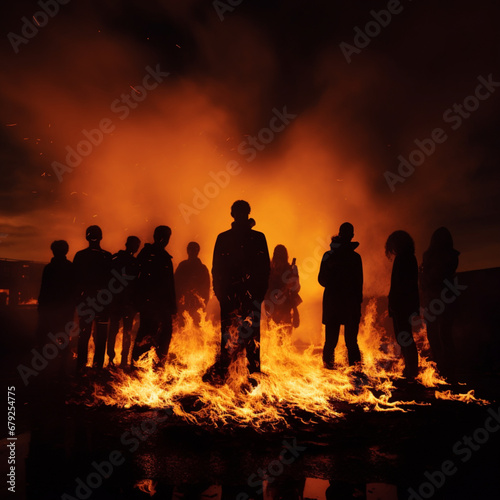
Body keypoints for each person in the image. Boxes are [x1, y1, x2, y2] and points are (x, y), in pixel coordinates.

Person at [210, 200, 270, 380]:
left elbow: (265, 268)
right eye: (239, 212)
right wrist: (220, 293)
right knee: (229, 335)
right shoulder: (225, 238)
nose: (241, 215)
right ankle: (226, 372)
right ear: (233, 214)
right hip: (230, 295)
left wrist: (259, 293)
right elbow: (217, 268)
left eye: (244, 212)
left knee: (252, 337)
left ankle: (253, 373)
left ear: (247, 214)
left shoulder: (257, 237)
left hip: (250, 295)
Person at [318, 223, 363, 369]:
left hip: (336, 304)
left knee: (335, 341)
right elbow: (358, 284)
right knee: (346, 342)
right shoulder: (353, 258)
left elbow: (322, 280)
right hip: (345, 304)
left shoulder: (330, 256)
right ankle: (355, 371)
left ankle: (332, 369)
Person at [132, 226, 176, 367]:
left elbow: (169, 284)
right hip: (153, 303)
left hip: (156, 304)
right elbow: (138, 279)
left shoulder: (152, 254)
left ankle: (151, 364)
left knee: (155, 332)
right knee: (151, 332)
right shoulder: (153, 255)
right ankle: (141, 363)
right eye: (167, 236)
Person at [420, 227, 460, 380]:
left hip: (438, 300)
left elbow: (432, 279)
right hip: (442, 300)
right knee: (442, 335)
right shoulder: (451, 256)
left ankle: (443, 368)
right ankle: (445, 368)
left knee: (439, 335)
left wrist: (423, 276)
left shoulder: (439, 257)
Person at [73, 226, 112, 372]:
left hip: (86, 302)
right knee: (100, 336)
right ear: (101, 237)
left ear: (87, 237)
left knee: (84, 334)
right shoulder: (107, 256)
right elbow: (111, 280)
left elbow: (75, 280)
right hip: (102, 302)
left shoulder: (80, 256)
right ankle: (97, 366)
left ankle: (81, 366)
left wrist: (77, 300)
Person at [37, 241, 77, 372]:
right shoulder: (71, 268)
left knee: (44, 335)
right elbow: (74, 290)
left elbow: (44, 289)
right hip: (65, 308)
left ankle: (41, 364)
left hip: (49, 308)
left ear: (53, 251)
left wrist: (41, 307)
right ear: (66, 251)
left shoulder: (49, 268)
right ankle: (62, 365)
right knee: (63, 336)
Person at [385, 230, 420, 380]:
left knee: (404, 337)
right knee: (404, 336)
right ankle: (410, 368)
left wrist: (393, 303)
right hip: (407, 304)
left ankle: (411, 370)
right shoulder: (410, 258)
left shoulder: (402, 259)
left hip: (401, 304)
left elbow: (398, 285)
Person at [107, 236, 141, 368]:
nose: (136, 248)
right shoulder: (134, 263)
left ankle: (113, 359)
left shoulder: (116, 259)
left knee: (115, 331)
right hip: (125, 304)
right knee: (125, 331)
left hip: (118, 302)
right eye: (136, 245)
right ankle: (122, 360)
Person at [264, 244, 301, 335]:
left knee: (282, 335)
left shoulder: (291, 269)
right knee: (275, 334)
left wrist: (290, 283)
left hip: (283, 305)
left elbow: (295, 288)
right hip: (273, 305)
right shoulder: (270, 270)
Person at [174, 242, 210, 327]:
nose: (192, 252)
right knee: (182, 326)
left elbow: (206, 288)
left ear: (198, 251)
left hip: (196, 303)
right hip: (183, 301)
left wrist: (204, 303)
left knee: (195, 326)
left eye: (194, 249)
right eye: (191, 249)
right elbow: (175, 283)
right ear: (187, 250)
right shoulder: (182, 266)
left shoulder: (202, 268)